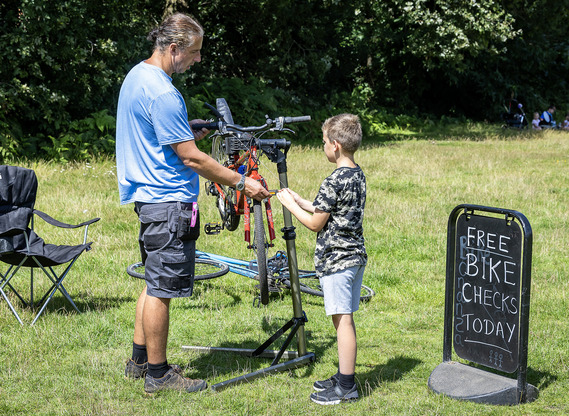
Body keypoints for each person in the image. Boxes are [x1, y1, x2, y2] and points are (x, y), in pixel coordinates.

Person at [115, 13, 269, 394]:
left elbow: (162, 137)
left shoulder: (137, 76)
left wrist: (188, 131)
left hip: (149, 199)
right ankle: (159, 375)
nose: (197, 60)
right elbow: (192, 158)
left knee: (154, 282)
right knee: (163, 289)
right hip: (168, 204)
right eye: (195, 52)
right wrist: (241, 182)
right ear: (173, 48)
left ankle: (139, 361)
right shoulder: (165, 92)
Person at [276, 114, 367, 405]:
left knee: (343, 322)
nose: (323, 146)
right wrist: (302, 200)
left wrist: (290, 206)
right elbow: (328, 209)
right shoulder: (356, 174)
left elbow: (316, 223)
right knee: (344, 319)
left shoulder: (333, 181)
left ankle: (347, 386)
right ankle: (343, 376)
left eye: (324, 142)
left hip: (337, 262)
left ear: (336, 146)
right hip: (354, 258)